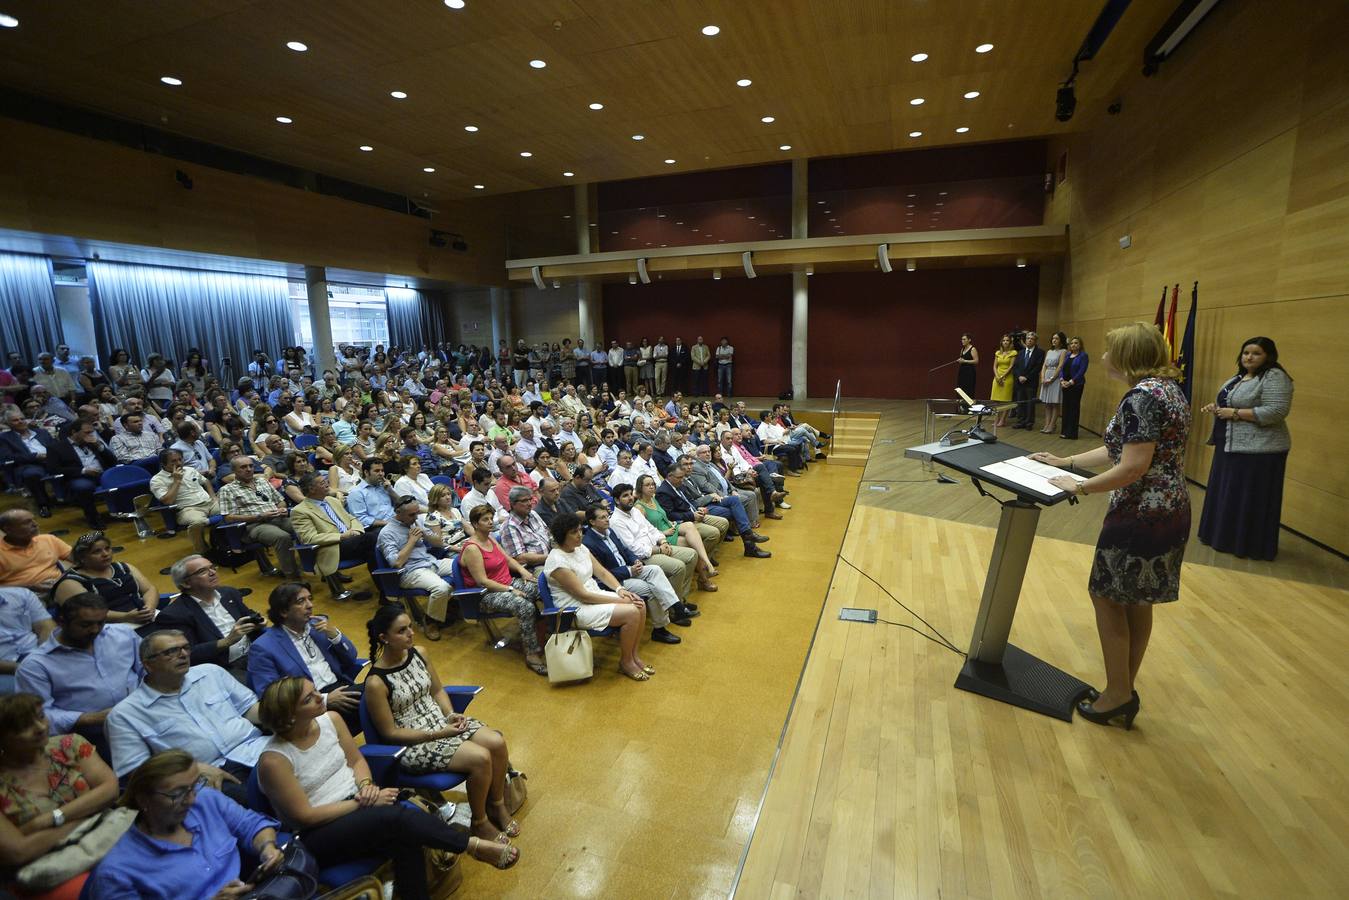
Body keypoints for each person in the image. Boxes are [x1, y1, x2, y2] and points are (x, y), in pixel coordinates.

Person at [1031, 322, 1191, 730]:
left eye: (1109, 350)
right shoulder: (1167, 390)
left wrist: (1079, 487)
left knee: (1106, 596)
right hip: (1170, 507)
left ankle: (1118, 693)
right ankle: (1121, 689)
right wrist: (1067, 462)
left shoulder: (1141, 397)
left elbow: (1133, 466)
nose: (1102, 357)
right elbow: (1120, 448)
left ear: (1126, 358)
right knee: (1137, 600)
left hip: (1140, 513)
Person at [256, 678, 517, 898]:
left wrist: (366, 785)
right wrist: (363, 801)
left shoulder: (331, 720)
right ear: (288, 717)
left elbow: (357, 760)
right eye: (308, 698)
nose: (319, 697)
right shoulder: (274, 760)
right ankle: (472, 846)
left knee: (406, 836)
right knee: (396, 820)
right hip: (321, 832)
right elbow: (305, 817)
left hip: (360, 803)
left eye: (315, 691)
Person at [364, 604, 520, 843]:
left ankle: (497, 804)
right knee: (480, 758)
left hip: (440, 724)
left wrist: (450, 714)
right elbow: (390, 733)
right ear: (384, 638)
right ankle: (480, 822)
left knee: (496, 742)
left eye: (410, 627)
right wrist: (435, 734)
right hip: (414, 742)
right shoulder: (376, 683)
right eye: (402, 631)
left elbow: (437, 690)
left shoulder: (420, 653)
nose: (410, 633)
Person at [83, 749, 283, 900]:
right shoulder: (116, 873)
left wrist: (266, 848)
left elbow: (251, 824)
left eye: (194, 785)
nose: (191, 799)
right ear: (144, 799)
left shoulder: (205, 800)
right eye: (178, 794)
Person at [106, 629, 268, 800]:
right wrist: (192, 769)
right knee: (264, 798)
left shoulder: (211, 672)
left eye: (185, 648)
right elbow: (137, 772)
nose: (183, 654)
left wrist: (285, 716)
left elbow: (250, 709)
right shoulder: (125, 715)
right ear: (148, 664)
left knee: (292, 770)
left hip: (257, 749)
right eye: (171, 651)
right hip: (206, 775)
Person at [0, 692, 120, 900]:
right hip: (46, 866)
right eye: (23, 726)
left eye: (40, 717)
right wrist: (88, 814)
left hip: (104, 838)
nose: (39, 728)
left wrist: (50, 819)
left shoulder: (69, 745)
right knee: (105, 888)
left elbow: (110, 788)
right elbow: (19, 851)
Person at [1197, 337, 1294, 560]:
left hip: (1260, 451)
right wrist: (1218, 408)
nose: (1249, 357)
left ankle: (1245, 544)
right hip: (1229, 446)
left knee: (1247, 498)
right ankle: (1221, 538)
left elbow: (1276, 411)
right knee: (1227, 494)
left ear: (1268, 356)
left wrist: (1235, 413)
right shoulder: (1238, 377)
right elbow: (1231, 404)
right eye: (1245, 352)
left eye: (1256, 353)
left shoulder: (1275, 377)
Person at [16, 593, 140, 758]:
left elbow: (149, 668)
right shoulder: (36, 666)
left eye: (100, 622)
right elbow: (36, 717)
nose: (95, 630)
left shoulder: (122, 635)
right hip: (90, 736)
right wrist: (90, 718)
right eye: (86, 625)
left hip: (141, 715)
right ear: (61, 621)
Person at [543, 512, 654, 682]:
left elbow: (601, 571)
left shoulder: (580, 548)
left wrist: (619, 590)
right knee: (632, 611)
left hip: (594, 594)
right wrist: (620, 600)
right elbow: (583, 596)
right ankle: (626, 662)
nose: (580, 535)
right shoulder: (557, 562)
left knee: (639, 603)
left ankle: (633, 655)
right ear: (561, 535)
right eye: (573, 532)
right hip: (574, 608)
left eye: (580, 530)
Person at [246, 583, 363, 732]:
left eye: (310, 599)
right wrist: (325, 699)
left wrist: (335, 635)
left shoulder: (318, 626)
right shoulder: (262, 647)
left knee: (382, 689)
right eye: (301, 601)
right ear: (283, 611)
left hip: (341, 688)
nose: (310, 605)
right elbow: (271, 697)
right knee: (379, 693)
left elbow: (351, 657)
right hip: (309, 707)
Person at [582, 505, 692, 644]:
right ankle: (660, 629)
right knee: (651, 588)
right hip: (616, 582)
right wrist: (629, 570)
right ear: (592, 522)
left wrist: (635, 561)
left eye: (607, 516)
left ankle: (676, 606)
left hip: (630, 569)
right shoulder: (588, 543)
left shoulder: (609, 531)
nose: (607, 520)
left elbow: (625, 550)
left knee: (655, 569)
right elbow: (601, 574)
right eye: (602, 517)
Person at [458, 504, 548, 675]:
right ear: (475, 524)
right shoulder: (472, 548)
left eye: (491, 518)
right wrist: (510, 589)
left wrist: (523, 572)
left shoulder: (490, 539)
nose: (491, 522)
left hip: (507, 583)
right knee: (525, 606)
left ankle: (541, 635)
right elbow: (483, 581)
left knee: (541, 588)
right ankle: (532, 654)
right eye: (485, 520)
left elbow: (507, 559)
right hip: (486, 595)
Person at [155, 555, 262, 678]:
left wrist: (258, 623)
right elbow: (188, 653)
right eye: (202, 571)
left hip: (255, 652)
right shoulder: (174, 615)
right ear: (186, 583)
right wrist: (227, 641)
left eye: (212, 567)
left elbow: (247, 615)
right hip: (223, 668)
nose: (212, 573)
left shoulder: (229, 593)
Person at [376, 495, 456, 640]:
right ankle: (430, 621)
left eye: (417, 512)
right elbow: (396, 563)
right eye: (411, 514)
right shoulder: (386, 533)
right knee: (442, 588)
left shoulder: (416, 521)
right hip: (410, 571)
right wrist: (412, 541)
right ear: (398, 513)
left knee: (464, 565)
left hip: (430, 562)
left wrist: (424, 532)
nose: (415, 517)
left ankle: (451, 607)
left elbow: (438, 543)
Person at [288, 474, 375, 603]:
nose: (327, 484)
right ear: (312, 489)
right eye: (323, 483)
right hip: (333, 547)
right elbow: (309, 538)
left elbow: (351, 518)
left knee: (374, 549)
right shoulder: (299, 511)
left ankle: (384, 588)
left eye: (326, 481)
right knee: (373, 539)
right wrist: (341, 536)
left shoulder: (331, 500)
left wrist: (356, 530)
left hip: (354, 540)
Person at [216, 456, 300, 578]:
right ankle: (292, 577)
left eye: (251, 466)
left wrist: (281, 508)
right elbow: (228, 518)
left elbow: (280, 501)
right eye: (243, 467)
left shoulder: (263, 481)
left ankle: (316, 566)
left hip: (277, 517)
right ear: (234, 470)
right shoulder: (227, 490)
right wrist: (258, 516)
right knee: (282, 537)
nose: (249, 469)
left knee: (303, 525)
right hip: (254, 525)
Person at [52, 531, 158, 626]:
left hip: (142, 617)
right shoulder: (70, 582)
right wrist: (126, 617)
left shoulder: (124, 567)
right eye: (97, 552)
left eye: (107, 548)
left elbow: (149, 589)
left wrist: (149, 608)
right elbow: (87, 613)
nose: (105, 554)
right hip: (105, 627)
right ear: (82, 558)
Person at [45, 420, 115, 527]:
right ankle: (94, 519)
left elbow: (113, 461)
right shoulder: (56, 448)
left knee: (122, 478)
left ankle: (123, 511)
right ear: (74, 432)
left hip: (103, 474)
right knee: (83, 487)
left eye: (92, 432)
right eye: (86, 432)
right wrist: (83, 471)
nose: (90, 435)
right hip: (79, 477)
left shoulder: (93, 443)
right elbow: (53, 469)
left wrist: (100, 447)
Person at [0, 409, 59, 516]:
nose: (20, 421)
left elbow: (56, 447)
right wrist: (35, 456)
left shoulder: (42, 432)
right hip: (29, 465)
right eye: (15, 420)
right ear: (8, 424)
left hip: (52, 461)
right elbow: (8, 457)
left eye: (22, 419)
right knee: (31, 474)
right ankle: (43, 505)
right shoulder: (4, 438)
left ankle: (72, 497)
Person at [0, 509, 71, 593]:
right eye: (27, 522)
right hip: (19, 595)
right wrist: (29, 587)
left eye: (33, 520)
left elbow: (80, 558)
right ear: (8, 529)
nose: (35, 524)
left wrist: (88, 540)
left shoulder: (48, 539)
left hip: (58, 587)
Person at [0, 587, 54, 694]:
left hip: (36, 655)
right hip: (5, 670)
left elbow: (46, 628)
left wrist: (46, 656)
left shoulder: (22, 595)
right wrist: (22, 668)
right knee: (26, 694)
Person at [1012, 331, 1044, 429]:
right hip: (1020, 381)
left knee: (1030, 402)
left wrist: (1026, 377)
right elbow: (1016, 367)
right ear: (1025, 340)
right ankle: (1020, 421)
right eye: (1028, 338)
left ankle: (1029, 422)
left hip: (1031, 381)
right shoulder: (1020, 352)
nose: (1029, 340)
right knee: (1020, 401)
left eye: (1032, 339)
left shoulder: (1040, 352)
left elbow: (1038, 367)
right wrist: (1019, 376)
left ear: (1035, 341)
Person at [1059, 336, 1089, 439]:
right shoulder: (1068, 355)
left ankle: (1071, 433)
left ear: (1080, 345)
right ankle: (1064, 431)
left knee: (1073, 408)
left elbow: (1082, 371)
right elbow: (1062, 368)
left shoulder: (1083, 356)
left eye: (1076, 343)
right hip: (1065, 384)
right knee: (1066, 408)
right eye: (1072, 343)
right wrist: (1062, 380)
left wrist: (1071, 382)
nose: (1073, 345)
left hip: (1076, 385)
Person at [1039, 331, 1068, 433]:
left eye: (1056, 339)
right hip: (1046, 376)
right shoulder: (1049, 351)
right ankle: (1046, 424)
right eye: (1053, 338)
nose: (1054, 340)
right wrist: (1043, 377)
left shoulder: (1063, 351)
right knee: (1047, 403)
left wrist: (1051, 379)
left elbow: (1060, 366)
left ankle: (1052, 425)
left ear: (1061, 341)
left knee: (1054, 403)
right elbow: (1044, 365)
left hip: (1055, 378)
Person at [990, 334, 1016, 426]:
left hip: (1007, 378)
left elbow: (1011, 366)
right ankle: (996, 419)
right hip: (997, 377)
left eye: (1007, 340)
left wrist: (1002, 376)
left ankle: (1003, 420)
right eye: (1004, 340)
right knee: (996, 400)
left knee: (1006, 400)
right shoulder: (998, 353)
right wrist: (997, 376)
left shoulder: (1013, 353)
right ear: (1001, 342)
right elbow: (994, 366)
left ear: (1010, 342)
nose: (1005, 342)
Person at [956, 332, 978, 397]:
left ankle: (968, 406)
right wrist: (959, 360)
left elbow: (976, 361)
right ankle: (961, 406)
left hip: (970, 372)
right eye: (962, 339)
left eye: (964, 339)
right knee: (961, 389)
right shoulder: (962, 349)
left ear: (969, 340)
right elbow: (961, 358)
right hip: (962, 371)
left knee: (968, 389)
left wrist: (965, 361)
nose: (962, 341)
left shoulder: (973, 349)